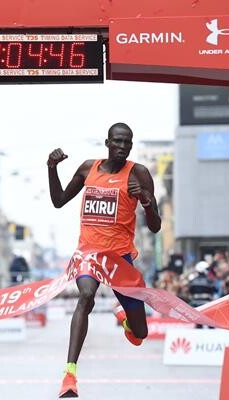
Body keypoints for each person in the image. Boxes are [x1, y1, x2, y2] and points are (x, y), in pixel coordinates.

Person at [47, 122, 161, 398]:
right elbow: (59, 200)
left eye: (127, 142)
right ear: (107, 143)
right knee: (86, 296)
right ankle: (70, 374)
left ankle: (125, 318)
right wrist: (51, 168)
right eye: (117, 141)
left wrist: (146, 200)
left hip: (119, 259)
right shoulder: (88, 168)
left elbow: (156, 226)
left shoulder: (139, 173)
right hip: (89, 253)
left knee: (140, 334)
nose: (122, 147)